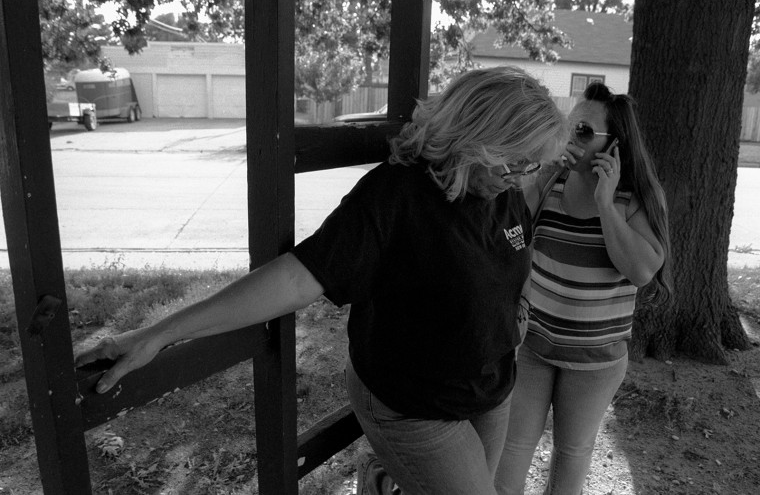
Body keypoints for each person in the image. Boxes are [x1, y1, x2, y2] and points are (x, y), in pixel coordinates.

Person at [75, 66, 568, 495]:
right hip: (415, 405)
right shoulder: (396, 197)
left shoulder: (502, 190)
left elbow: (514, 256)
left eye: (534, 164)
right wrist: (157, 334)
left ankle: (385, 480)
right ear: (475, 136)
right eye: (516, 159)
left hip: (490, 388)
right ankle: (385, 469)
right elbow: (295, 280)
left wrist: (516, 310)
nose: (524, 174)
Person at [495, 82, 672, 495]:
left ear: (615, 145)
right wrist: (542, 174)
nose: (570, 138)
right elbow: (510, 230)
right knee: (514, 445)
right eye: (568, 126)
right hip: (534, 345)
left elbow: (642, 270)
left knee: (572, 453)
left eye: (583, 132)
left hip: (595, 361)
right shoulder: (549, 179)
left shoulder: (639, 198)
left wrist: (607, 204)